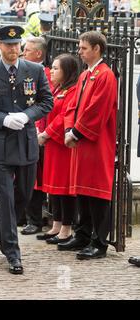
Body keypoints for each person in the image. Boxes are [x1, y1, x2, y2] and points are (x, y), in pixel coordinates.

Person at [0, 25, 53, 274]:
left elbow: (46, 101)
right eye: (8, 46)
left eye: (16, 45)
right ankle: (13, 253)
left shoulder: (35, 70)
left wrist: (27, 115)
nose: (13, 50)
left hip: (26, 142)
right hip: (1, 143)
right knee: (6, 199)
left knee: (25, 196)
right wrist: (2, 118)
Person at [60, 31, 117, 260]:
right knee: (82, 190)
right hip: (81, 140)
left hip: (96, 141)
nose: (79, 51)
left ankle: (99, 242)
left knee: (97, 192)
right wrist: (68, 129)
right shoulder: (85, 75)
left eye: (83, 48)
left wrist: (76, 132)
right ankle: (82, 234)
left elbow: (97, 110)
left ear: (96, 49)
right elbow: (72, 106)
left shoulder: (106, 76)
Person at [36, 54, 80, 244]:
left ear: (67, 71)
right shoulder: (57, 89)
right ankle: (57, 224)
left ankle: (66, 228)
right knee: (53, 187)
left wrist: (46, 133)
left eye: (56, 68)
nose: (51, 71)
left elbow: (63, 117)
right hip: (52, 145)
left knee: (64, 188)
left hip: (62, 145)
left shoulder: (73, 90)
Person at [17, 35, 52, 235]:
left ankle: (34, 219)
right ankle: (22, 214)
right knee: (19, 177)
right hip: (21, 127)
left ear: (38, 53)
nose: (23, 52)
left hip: (36, 130)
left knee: (35, 179)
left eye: (27, 50)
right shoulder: (24, 69)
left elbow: (44, 103)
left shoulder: (43, 73)